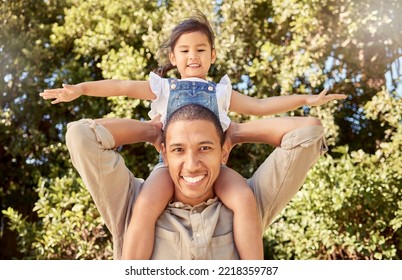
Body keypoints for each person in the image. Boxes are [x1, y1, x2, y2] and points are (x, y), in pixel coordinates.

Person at [40, 12, 346, 259]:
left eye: (201, 50)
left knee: (243, 198)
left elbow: (262, 106)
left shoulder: (222, 92)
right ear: (173, 58)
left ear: (212, 55)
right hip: (167, 169)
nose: (193, 56)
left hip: (217, 168)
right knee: (145, 205)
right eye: (185, 51)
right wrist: (81, 89)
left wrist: (305, 100)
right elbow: (120, 86)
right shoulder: (163, 88)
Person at [65, 103, 328, 259]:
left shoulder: (250, 201)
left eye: (205, 148)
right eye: (178, 150)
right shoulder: (130, 201)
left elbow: (308, 132)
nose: (192, 165)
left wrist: (236, 133)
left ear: (223, 152)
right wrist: (150, 131)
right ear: (164, 154)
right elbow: (80, 135)